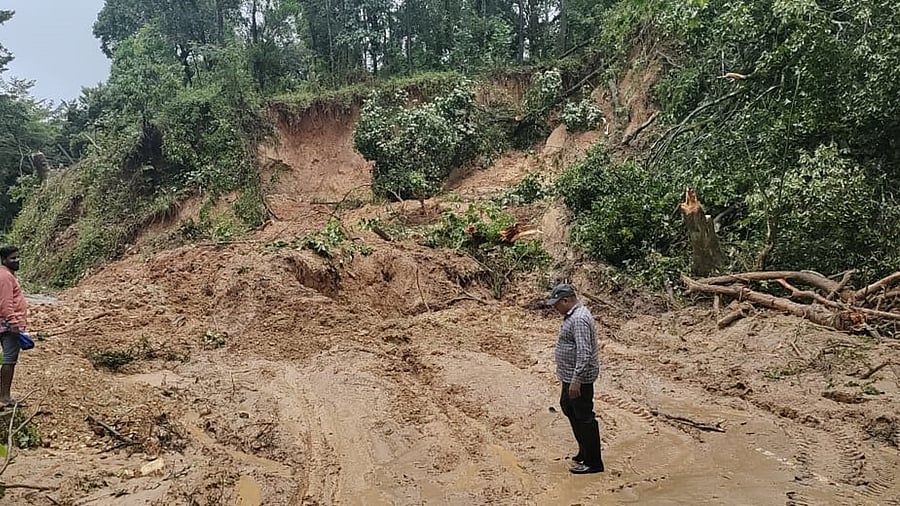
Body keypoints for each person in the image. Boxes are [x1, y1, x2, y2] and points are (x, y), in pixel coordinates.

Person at [546, 282, 604, 474]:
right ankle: (584, 451)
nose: (555, 308)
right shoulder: (573, 316)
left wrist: (576, 380)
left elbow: (585, 351)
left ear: (566, 300)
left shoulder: (579, 319)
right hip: (570, 375)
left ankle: (594, 462)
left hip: (578, 378)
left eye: (556, 304)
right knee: (568, 407)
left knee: (584, 416)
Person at [0, 246, 27, 407]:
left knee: (8, 360)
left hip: (6, 325)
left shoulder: (7, 275)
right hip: (8, 327)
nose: (17, 261)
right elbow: (5, 304)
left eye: (17, 257)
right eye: (13, 258)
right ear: (4, 260)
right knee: (9, 360)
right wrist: (13, 322)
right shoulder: (5, 277)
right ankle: (4, 397)